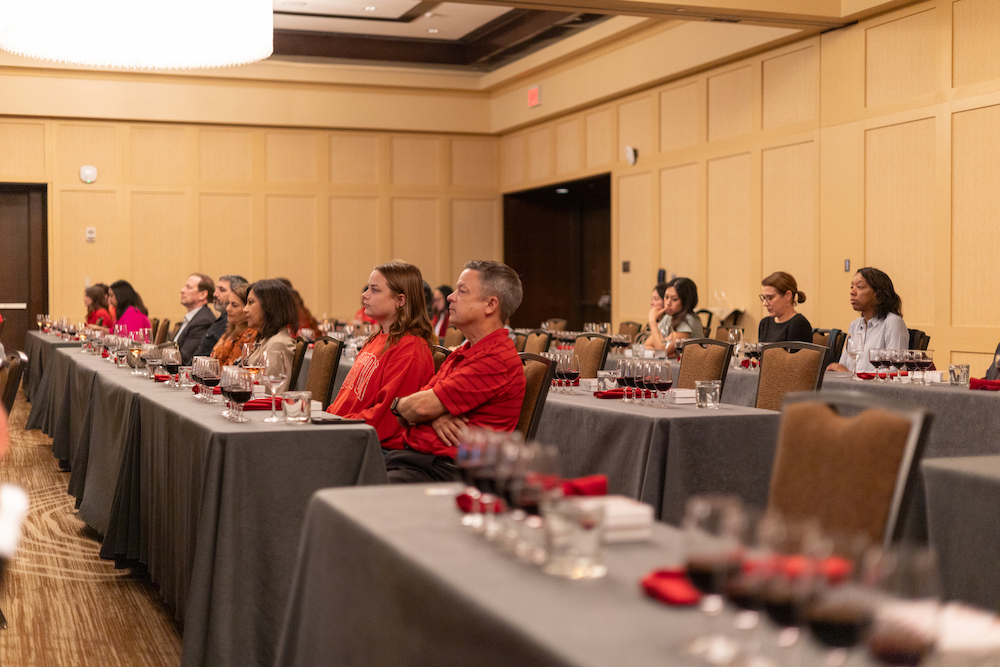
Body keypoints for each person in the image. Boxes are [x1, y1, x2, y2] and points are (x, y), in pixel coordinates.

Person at [387, 260, 527, 483]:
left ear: (490, 305)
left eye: (462, 291)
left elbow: (419, 408)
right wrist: (431, 417)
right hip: (417, 460)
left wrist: (417, 411)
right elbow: (410, 413)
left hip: (445, 472)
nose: (450, 297)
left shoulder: (495, 358)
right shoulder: (465, 350)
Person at [327, 262, 436, 447]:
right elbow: (347, 400)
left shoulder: (410, 350)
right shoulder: (378, 338)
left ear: (400, 300)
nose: (365, 295)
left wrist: (334, 426)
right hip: (344, 432)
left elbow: (386, 418)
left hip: (370, 446)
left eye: (374, 290)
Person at [827, 267, 908, 373]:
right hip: (849, 387)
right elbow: (843, 366)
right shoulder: (854, 325)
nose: (852, 292)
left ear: (877, 294)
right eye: (852, 287)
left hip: (876, 389)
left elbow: (897, 370)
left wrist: (857, 376)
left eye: (859, 287)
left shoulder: (892, 323)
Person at [242, 279, 298, 393]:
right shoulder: (266, 339)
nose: (245, 309)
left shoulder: (277, 343)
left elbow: (270, 392)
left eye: (251, 302)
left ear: (269, 305)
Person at [645, 277, 701, 357]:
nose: (668, 303)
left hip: (693, 367)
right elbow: (647, 345)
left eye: (674, 299)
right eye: (666, 297)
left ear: (686, 301)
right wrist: (669, 354)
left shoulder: (688, 320)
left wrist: (652, 321)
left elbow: (662, 350)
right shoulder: (668, 317)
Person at [194, 274, 247, 357]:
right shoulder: (230, 327)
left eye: (222, 290)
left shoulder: (246, 333)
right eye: (216, 289)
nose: (215, 294)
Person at [173, 274, 217, 365]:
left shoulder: (203, 321)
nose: (182, 290)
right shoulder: (194, 317)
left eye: (188, 287)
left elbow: (183, 359)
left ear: (203, 294)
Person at [757, 271, 812, 343]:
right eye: (764, 298)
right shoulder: (765, 323)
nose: (764, 303)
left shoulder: (798, 324)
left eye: (770, 297)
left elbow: (796, 354)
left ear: (787, 296)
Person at [210, 283, 257, 366]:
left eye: (234, 305)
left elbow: (231, 369)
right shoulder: (231, 330)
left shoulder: (249, 334)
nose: (228, 309)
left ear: (247, 308)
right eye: (228, 303)